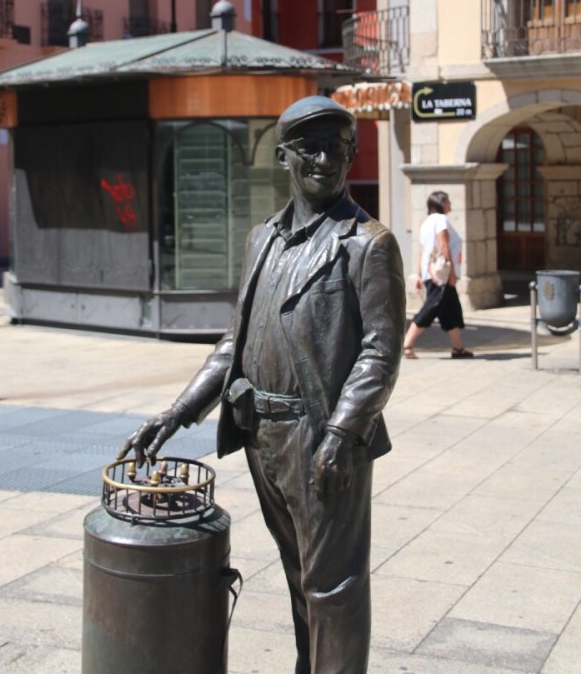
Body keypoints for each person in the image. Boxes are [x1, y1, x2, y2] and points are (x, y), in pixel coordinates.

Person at [120, 95, 405, 674]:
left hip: (321, 437)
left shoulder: (367, 243)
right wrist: (177, 413)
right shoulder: (262, 239)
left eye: (338, 148)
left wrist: (342, 433)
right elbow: (234, 343)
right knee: (300, 573)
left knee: (334, 586)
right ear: (283, 157)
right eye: (310, 148)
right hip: (263, 435)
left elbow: (380, 351)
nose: (325, 160)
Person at [402, 190, 473, 359]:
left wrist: (419, 274)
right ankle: (406, 343)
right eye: (447, 201)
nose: (450, 204)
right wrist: (451, 273)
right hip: (441, 275)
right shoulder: (441, 220)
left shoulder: (426, 223)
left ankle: (457, 348)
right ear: (441, 204)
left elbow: (422, 251)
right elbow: (443, 245)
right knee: (432, 307)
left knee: (451, 309)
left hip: (431, 272)